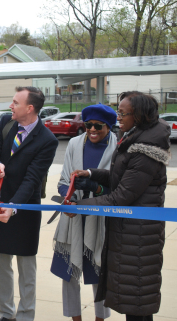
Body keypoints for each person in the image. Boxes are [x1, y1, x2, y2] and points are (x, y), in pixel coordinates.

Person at [71, 91, 170, 321]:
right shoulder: (135, 136)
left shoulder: (146, 150)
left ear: (140, 115)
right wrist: (91, 173)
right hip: (127, 232)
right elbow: (121, 176)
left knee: (137, 302)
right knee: (131, 299)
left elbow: (120, 196)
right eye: (118, 112)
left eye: (123, 113)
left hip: (139, 237)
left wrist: (81, 206)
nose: (119, 118)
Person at [0, 86, 58, 321]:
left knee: (26, 266)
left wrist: (14, 207)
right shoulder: (6, 123)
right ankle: (6, 314)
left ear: (30, 108)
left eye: (15, 102)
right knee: (2, 262)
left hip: (25, 208)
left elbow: (32, 179)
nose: (10, 106)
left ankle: (25, 315)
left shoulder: (47, 140)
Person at [50, 104, 118, 321]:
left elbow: (119, 189)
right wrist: (67, 199)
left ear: (109, 127)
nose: (92, 130)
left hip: (101, 220)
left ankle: (100, 318)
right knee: (68, 274)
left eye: (98, 126)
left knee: (98, 272)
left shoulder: (118, 148)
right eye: (88, 125)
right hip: (72, 218)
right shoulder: (74, 143)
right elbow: (63, 181)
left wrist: (94, 187)